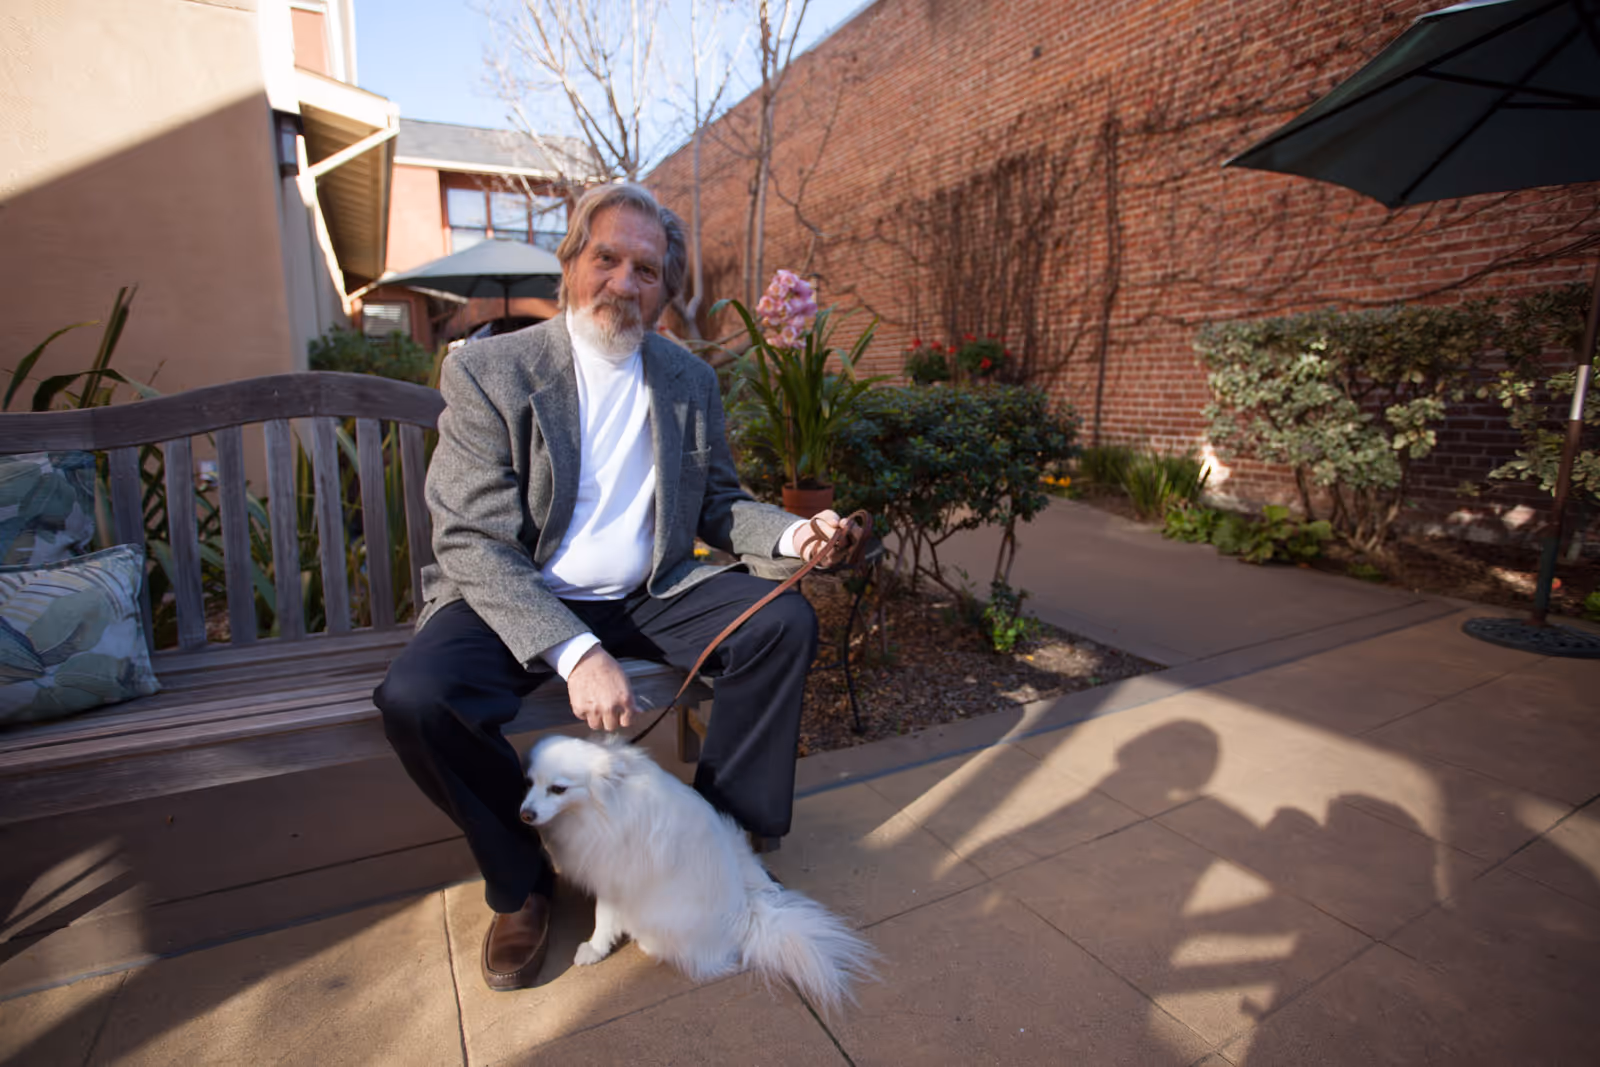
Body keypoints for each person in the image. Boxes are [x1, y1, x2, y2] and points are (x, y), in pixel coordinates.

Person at [373, 182, 851, 993]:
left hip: (647, 586)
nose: (626, 283)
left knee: (781, 625)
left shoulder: (685, 379)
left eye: (648, 269)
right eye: (608, 258)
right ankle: (521, 882)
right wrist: (574, 649)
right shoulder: (493, 370)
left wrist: (793, 535)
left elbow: (721, 504)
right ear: (570, 262)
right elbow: (471, 537)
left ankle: (726, 845)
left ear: (665, 288)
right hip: (515, 588)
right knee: (418, 697)